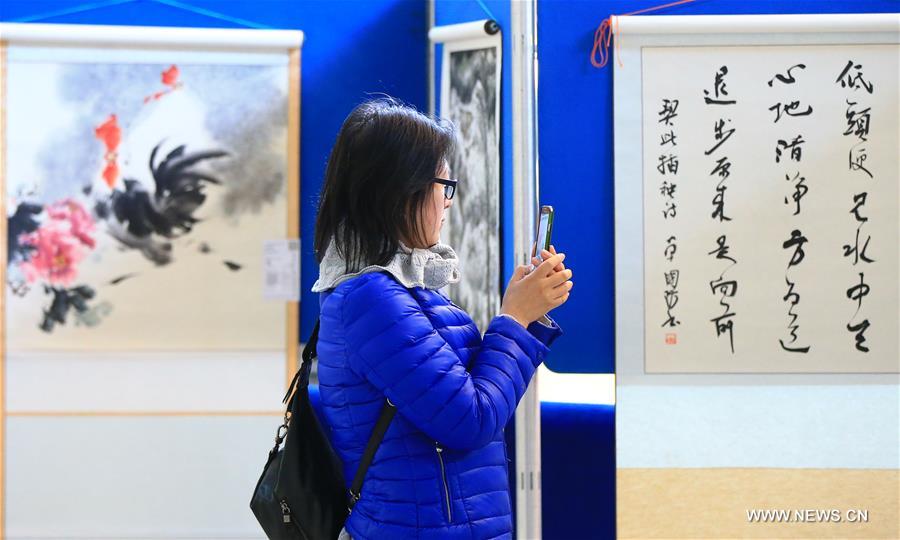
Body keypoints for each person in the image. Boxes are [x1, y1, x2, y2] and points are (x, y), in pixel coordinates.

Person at [311, 97, 573, 539]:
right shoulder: (371, 297)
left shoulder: (391, 287)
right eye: (443, 184)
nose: (448, 200)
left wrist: (524, 315)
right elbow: (469, 418)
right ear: (399, 189)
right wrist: (514, 318)